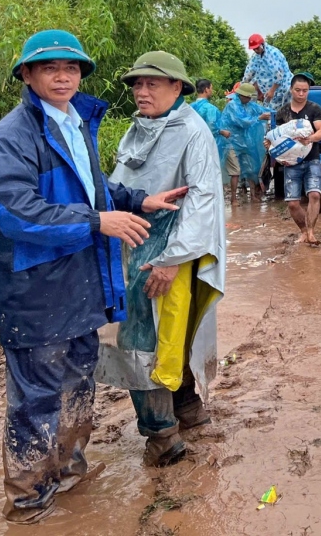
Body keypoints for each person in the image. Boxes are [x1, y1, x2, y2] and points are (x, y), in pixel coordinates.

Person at [0, 30, 186, 522]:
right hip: (34, 289)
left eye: (70, 68)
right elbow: (17, 211)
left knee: (77, 387)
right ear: (27, 75)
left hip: (82, 282)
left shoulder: (75, 122)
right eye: (49, 68)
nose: (62, 76)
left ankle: (69, 481)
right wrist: (98, 222)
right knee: (36, 401)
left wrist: (135, 200)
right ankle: (28, 504)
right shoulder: (13, 136)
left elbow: (95, 186)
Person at [100, 51, 227, 468]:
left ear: (178, 87)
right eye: (137, 84)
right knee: (165, 333)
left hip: (170, 249)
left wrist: (172, 259)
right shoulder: (138, 130)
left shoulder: (193, 132)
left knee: (145, 339)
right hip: (134, 241)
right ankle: (187, 409)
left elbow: (203, 201)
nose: (141, 90)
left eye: (152, 83)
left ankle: (161, 435)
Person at [275, 74, 321, 245]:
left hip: (312, 158)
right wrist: (270, 146)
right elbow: (276, 138)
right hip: (291, 162)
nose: (301, 94)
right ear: (291, 90)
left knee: (314, 194)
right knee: (292, 204)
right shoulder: (282, 112)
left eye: (305, 91)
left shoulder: (314, 109)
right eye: (298, 90)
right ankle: (304, 231)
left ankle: (311, 232)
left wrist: (311, 139)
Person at [219, 82, 270, 203]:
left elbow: (263, 110)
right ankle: (233, 199)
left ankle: (253, 196)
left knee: (251, 168)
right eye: (247, 97)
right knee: (235, 171)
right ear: (241, 95)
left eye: (250, 97)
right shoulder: (232, 105)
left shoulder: (250, 105)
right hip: (231, 141)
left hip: (245, 142)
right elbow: (242, 121)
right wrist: (259, 118)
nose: (248, 99)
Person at [242, 34, 292, 110]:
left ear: (262, 44)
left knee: (276, 112)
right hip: (269, 90)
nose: (255, 50)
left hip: (282, 88)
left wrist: (272, 91)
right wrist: (243, 85)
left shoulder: (273, 54)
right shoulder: (256, 56)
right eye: (253, 49)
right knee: (267, 111)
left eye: (257, 48)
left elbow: (279, 75)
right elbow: (250, 71)